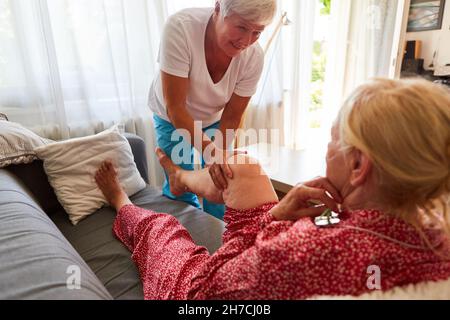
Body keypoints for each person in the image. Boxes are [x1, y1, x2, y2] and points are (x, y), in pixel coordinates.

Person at [96, 79, 450, 299]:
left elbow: (211, 288)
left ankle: (121, 200)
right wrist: (292, 216)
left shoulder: (303, 252)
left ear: (359, 167)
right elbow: (341, 228)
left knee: (165, 228)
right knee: (242, 167)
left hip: (206, 288)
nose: (327, 149)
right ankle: (181, 179)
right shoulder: (430, 230)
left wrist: (278, 217)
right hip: (273, 253)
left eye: (331, 140)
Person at [148, 0, 277, 219]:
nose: (246, 41)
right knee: (181, 192)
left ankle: (218, 234)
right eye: (242, 27)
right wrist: (212, 153)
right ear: (218, 8)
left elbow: (233, 115)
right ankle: (185, 234)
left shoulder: (254, 56)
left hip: (216, 117)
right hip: (172, 116)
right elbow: (176, 108)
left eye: (257, 32)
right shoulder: (181, 28)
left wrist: (217, 157)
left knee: (222, 181)